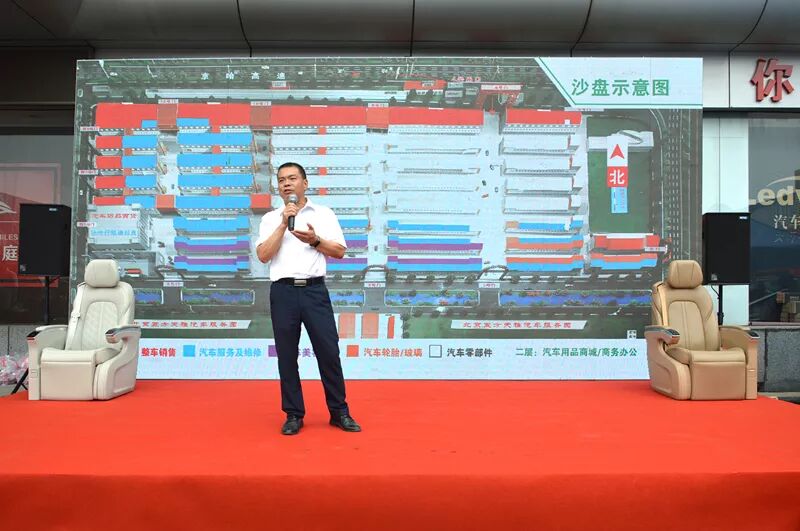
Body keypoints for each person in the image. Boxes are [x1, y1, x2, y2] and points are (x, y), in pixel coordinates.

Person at [256, 162, 361, 435]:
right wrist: (283, 224)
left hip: (315, 291)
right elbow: (263, 255)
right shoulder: (270, 218)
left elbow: (339, 251)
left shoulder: (324, 214)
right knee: (287, 356)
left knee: (329, 352)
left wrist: (315, 240)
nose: (286, 184)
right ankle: (293, 414)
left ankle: (339, 412)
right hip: (283, 292)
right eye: (281, 180)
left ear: (305, 183)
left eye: (292, 178)